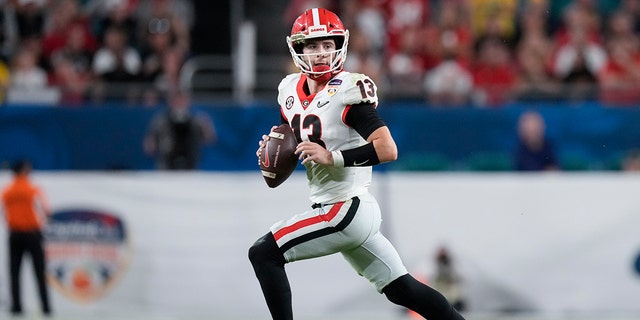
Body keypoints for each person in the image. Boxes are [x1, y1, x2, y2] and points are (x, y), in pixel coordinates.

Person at [248, 8, 466, 320]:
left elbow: (387, 149)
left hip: (345, 208)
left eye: (327, 44)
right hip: (338, 208)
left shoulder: (348, 89)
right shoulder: (288, 90)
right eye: (312, 45)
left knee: (263, 253)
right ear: (298, 49)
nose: (321, 53)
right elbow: (299, 140)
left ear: (340, 45)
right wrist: (271, 150)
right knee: (402, 289)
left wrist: (333, 157)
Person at [1, 160, 52, 317]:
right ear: (24, 171)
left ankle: (17, 306)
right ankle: (45, 307)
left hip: (14, 234)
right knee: (39, 271)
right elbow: (46, 211)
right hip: (32, 234)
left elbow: (4, 213)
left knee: (14, 272)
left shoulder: (6, 191)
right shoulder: (33, 190)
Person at [143, 90, 217, 170]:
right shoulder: (161, 120)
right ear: (171, 103)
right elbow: (150, 143)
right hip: (167, 163)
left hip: (191, 162)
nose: (179, 104)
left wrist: (206, 127)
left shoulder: (197, 120)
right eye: (177, 102)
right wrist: (152, 144)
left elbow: (209, 139)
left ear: (188, 102)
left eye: (182, 101)